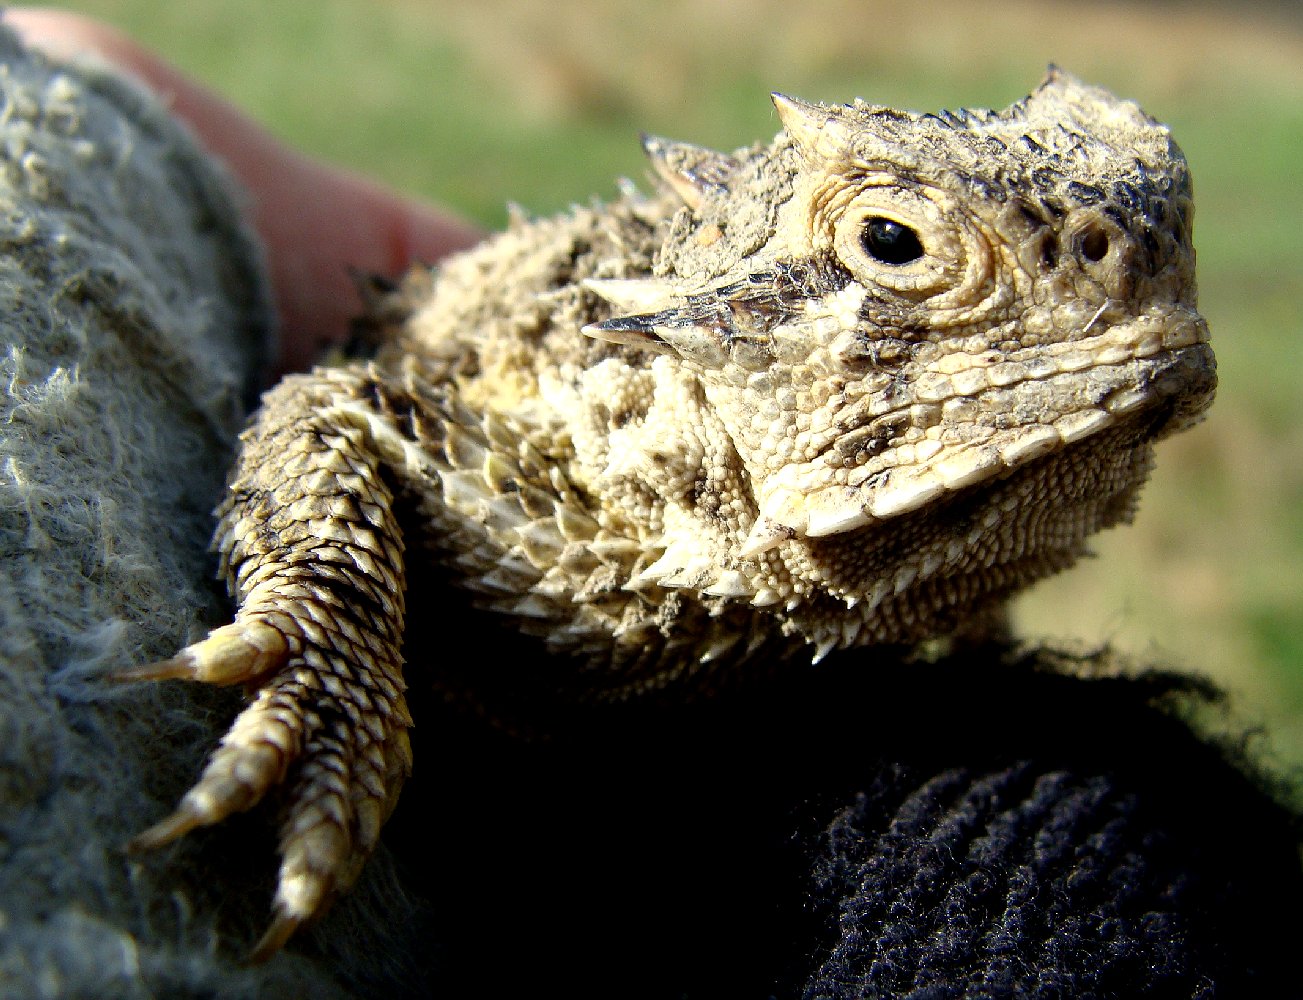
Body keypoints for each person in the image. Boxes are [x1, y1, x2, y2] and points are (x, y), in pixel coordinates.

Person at [2, 11, 1300, 998]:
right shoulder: (609, 499)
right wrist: (334, 675)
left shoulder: (941, 524)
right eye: (896, 250)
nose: (1130, 305)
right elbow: (337, 420)